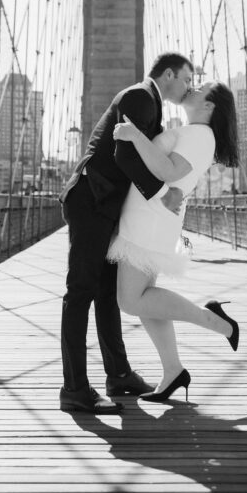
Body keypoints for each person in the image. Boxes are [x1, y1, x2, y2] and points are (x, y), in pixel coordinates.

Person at [59, 52, 194, 414]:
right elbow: (124, 154)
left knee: (105, 292)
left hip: (103, 205)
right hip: (91, 199)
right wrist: (164, 195)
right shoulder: (140, 96)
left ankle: (118, 374)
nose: (188, 86)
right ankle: (74, 388)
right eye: (186, 78)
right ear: (168, 74)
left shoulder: (149, 103)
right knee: (81, 290)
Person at [108, 80, 240, 402]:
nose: (192, 88)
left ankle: (217, 322)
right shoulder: (193, 132)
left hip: (150, 222)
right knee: (144, 300)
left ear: (209, 106)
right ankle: (173, 371)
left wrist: (134, 134)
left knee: (130, 300)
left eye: (200, 89)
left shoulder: (201, 135)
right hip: (146, 216)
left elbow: (168, 170)